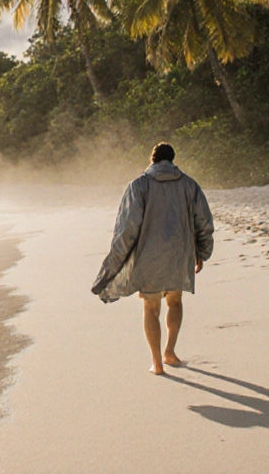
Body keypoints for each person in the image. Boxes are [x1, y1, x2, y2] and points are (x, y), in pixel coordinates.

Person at [91, 142, 214, 375]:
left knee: (150, 307)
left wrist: (115, 262)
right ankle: (170, 352)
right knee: (175, 301)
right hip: (180, 253)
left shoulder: (139, 185)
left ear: (152, 159)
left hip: (148, 255)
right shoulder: (189, 185)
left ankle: (157, 363)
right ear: (172, 160)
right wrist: (202, 251)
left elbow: (127, 228)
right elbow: (204, 222)